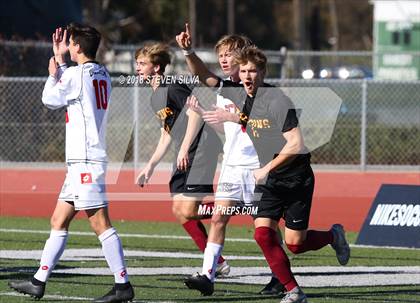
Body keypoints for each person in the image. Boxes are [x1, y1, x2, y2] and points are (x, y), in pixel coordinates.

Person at [212, 46, 350, 303]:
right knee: (262, 234)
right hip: (272, 182)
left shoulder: (277, 100)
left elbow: (296, 143)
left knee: (296, 244)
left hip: (296, 178)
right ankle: (293, 291)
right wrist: (228, 117)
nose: (247, 76)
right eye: (243, 71)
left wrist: (265, 168)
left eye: (252, 70)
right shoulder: (247, 97)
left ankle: (334, 235)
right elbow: (249, 119)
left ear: (263, 72)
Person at [8, 24, 134, 303]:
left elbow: (50, 99)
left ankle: (123, 285)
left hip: (86, 160)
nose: (68, 45)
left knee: (100, 222)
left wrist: (54, 73)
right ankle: (38, 281)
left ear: (77, 46)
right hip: (81, 161)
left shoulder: (76, 74)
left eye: (71, 42)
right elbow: (76, 88)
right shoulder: (101, 72)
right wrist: (63, 65)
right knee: (59, 219)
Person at [175, 25, 285, 296]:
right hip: (233, 167)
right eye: (220, 54)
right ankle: (208, 275)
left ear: (244, 56)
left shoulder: (260, 90)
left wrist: (234, 118)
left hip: (258, 168)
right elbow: (229, 129)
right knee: (219, 219)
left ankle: (279, 276)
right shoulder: (227, 89)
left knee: (265, 228)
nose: (223, 59)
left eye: (228, 54)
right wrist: (188, 51)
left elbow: (267, 126)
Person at [134, 43, 230, 276]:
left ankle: (231, 206)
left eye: (142, 64)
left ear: (156, 68)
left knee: (188, 209)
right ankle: (218, 263)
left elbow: (195, 112)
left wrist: (185, 148)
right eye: (136, 64)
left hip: (202, 146)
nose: (137, 68)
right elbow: (166, 132)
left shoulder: (172, 87)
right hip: (187, 150)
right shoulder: (154, 97)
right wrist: (151, 165)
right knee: (180, 210)